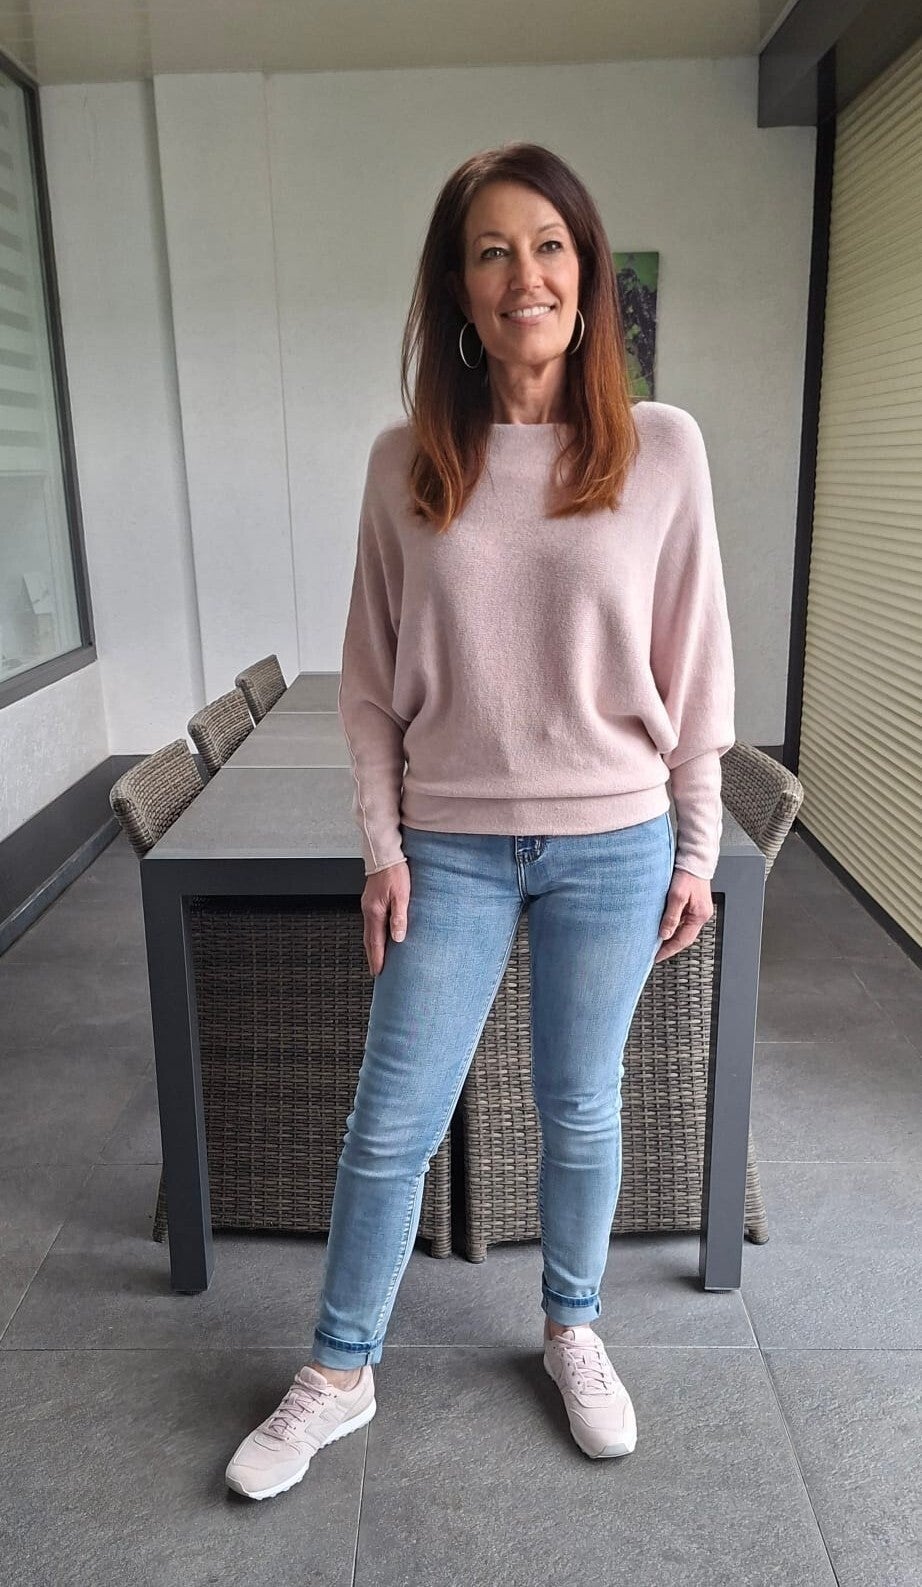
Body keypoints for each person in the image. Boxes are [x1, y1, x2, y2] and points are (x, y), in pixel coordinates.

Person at [226, 141, 735, 1501]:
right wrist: (382, 846)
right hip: (448, 844)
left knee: (579, 1105)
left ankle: (573, 1329)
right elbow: (368, 685)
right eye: (493, 251)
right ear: (459, 289)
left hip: (615, 840)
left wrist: (695, 845)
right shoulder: (407, 462)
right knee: (391, 1118)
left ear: (588, 272)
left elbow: (698, 668)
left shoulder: (661, 448)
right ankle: (340, 1371)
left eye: (550, 245)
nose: (526, 275)